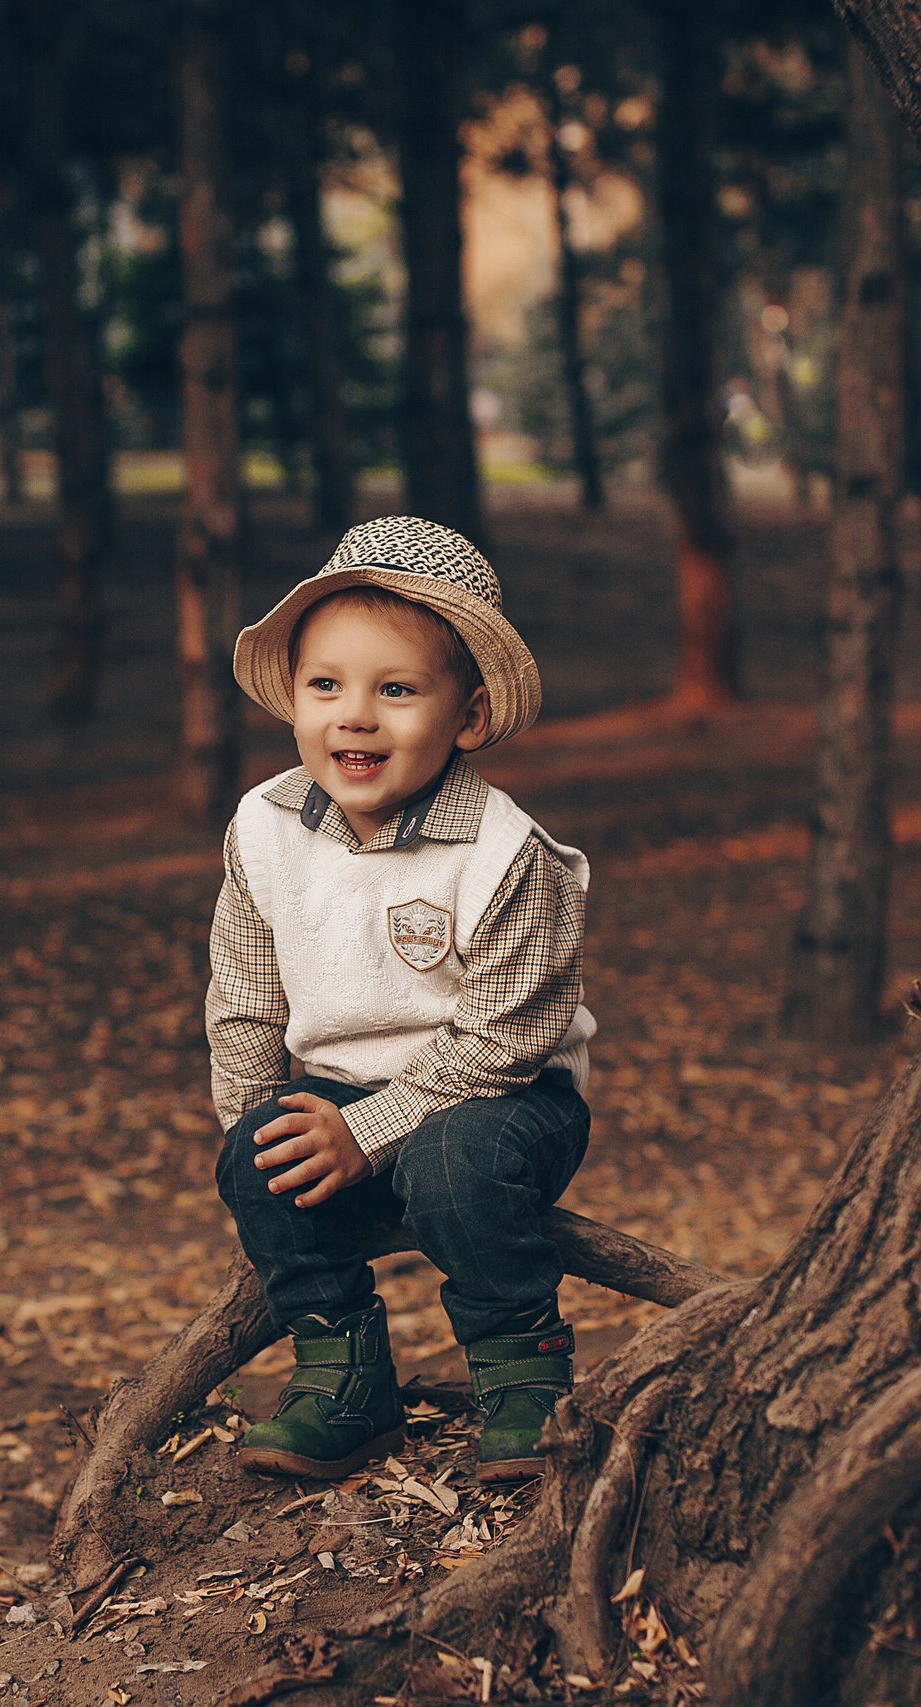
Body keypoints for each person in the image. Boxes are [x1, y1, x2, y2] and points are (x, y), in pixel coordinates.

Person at [208, 515, 596, 1483]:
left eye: (396, 690)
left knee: (455, 1164)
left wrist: (368, 1133)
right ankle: (342, 1375)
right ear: (292, 698)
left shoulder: (507, 854)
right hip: (342, 1088)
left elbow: (503, 1039)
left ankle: (524, 1380)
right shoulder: (264, 826)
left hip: (505, 1099)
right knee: (259, 1156)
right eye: (326, 685)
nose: (354, 716)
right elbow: (245, 988)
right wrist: (258, 1122)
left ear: (464, 719)